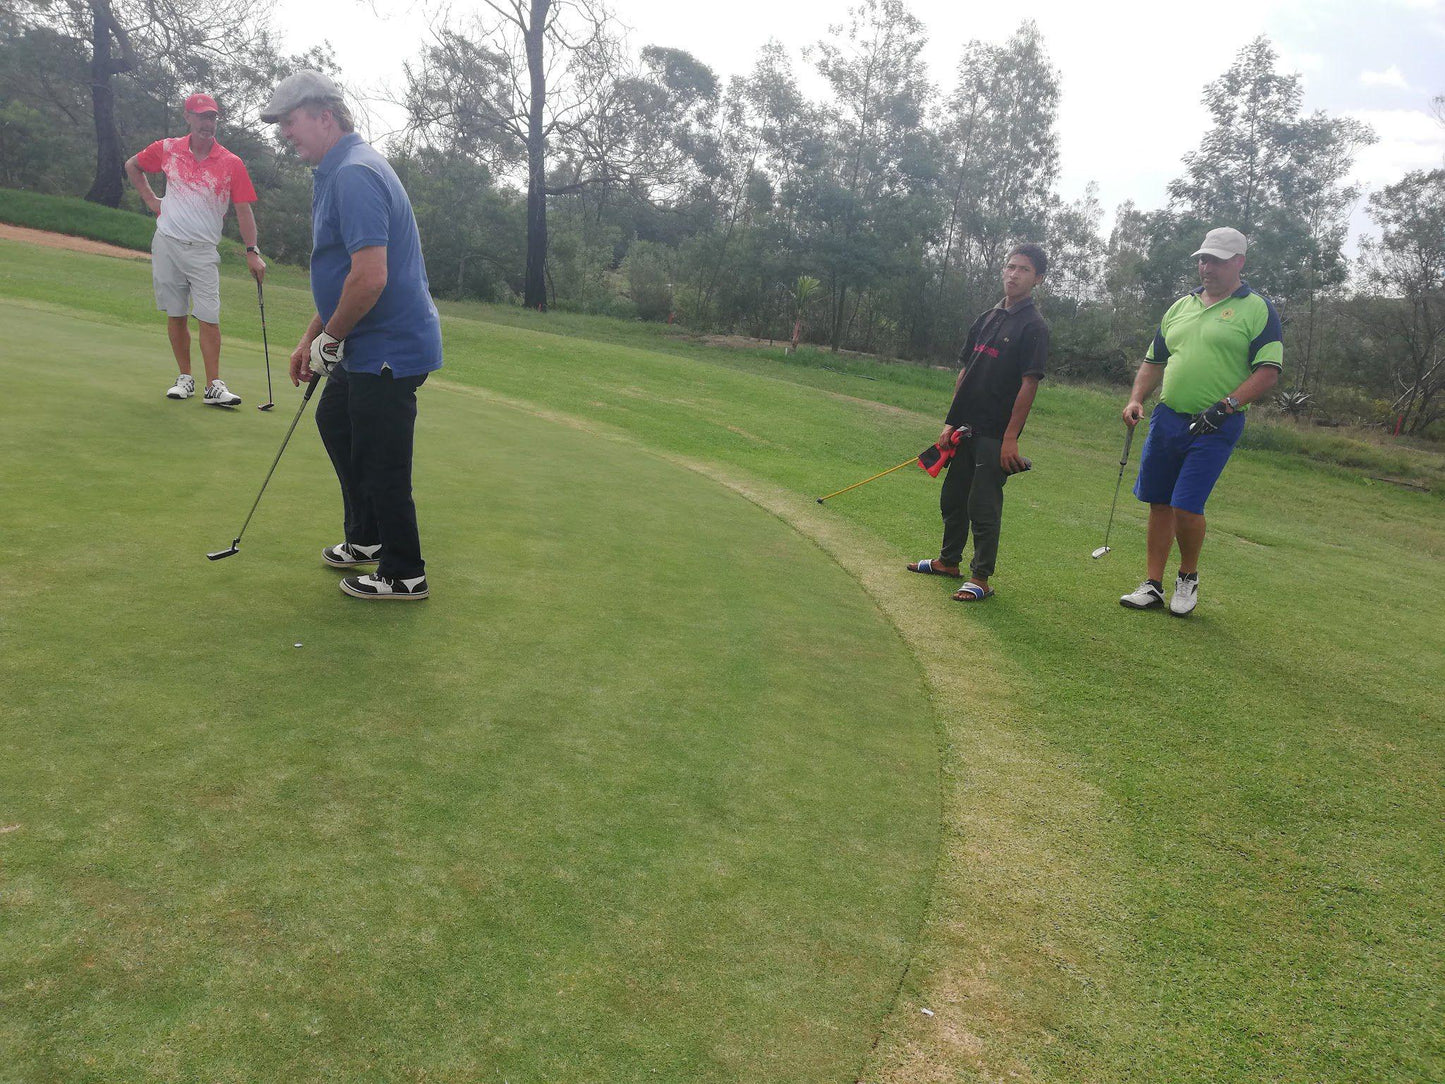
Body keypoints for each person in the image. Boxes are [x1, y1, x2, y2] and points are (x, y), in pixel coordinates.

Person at [261, 71, 443, 601]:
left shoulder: (355, 174)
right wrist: (311, 337)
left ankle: (404, 571)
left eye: (289, 122)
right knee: (335, 418)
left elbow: (371, 277)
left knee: (380, 457)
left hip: (390, 347)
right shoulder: (337, 170)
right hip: (368, 340)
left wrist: (331, 339)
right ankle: (365, 537)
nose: (284, 134)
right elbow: (344, 274)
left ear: (325, 115)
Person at [1118, 227, 1282, 616]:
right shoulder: (1180, 306)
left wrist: (1227, 405)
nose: (1206, 267)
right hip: (1167, 418)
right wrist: (1136, 398)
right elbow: (1154, 360)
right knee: (1159, 502)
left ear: (1239, 262)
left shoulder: (1257, 308)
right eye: (1203, 259)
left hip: (1216, 424)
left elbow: (1268, 370)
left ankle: (1187, 578)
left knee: (1186, 506)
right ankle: (1152, 584)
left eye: (1217, 261)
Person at [907, 244, 1050, 602]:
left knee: (983, 504)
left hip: (995, 431)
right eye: (1010, 266)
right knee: (953, 498)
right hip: (965, 428)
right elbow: (965, 372)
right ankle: (947, 561)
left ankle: (981, 578)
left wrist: (1010, 439)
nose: (1014, 274)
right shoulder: (986, 318)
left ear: (1038, 279)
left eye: (1024, 270)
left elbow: (1028, 384)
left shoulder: (1034, 326)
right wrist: (950, 422)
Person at [125, 92, 265, 406]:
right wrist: (151, 201)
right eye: (202, 116)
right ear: (188, 117)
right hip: (167, 243)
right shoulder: (168, 149)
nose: (207, 123)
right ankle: (185, 378)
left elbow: (243, 210)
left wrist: (252, 250)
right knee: (176, 314)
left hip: (203, 250)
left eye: (212, 117)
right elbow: (133, 165)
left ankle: (214, 385)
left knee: (208, 317)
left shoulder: (231, 163)